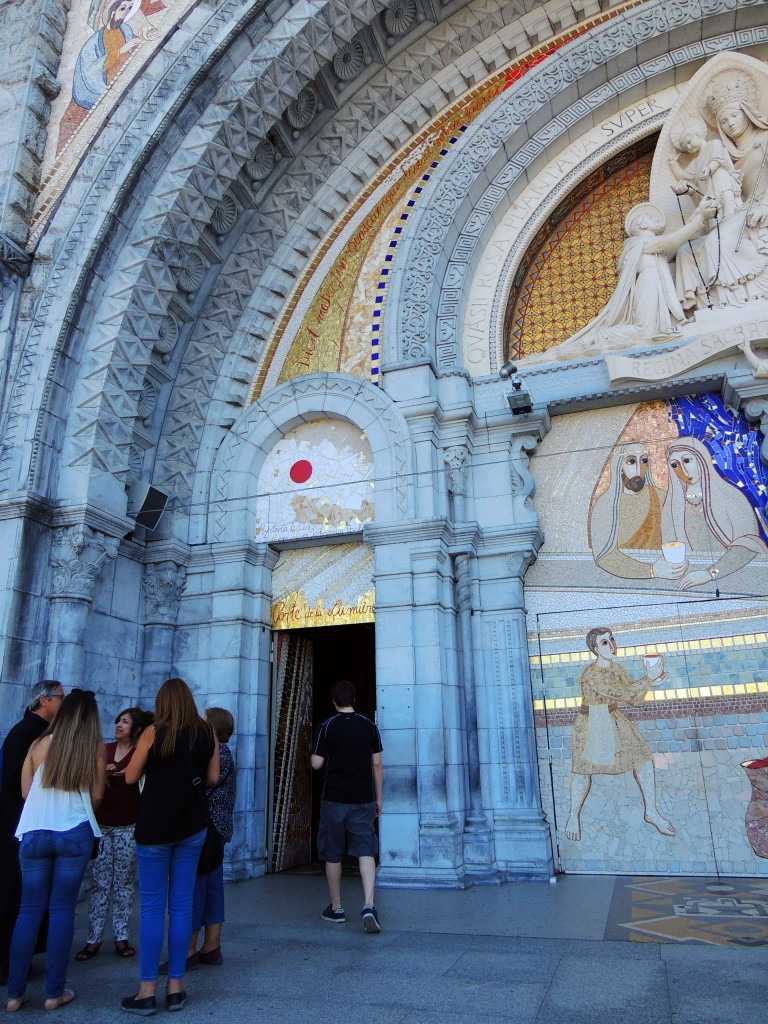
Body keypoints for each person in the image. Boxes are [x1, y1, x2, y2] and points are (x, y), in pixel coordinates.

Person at [120, 678, 218, 1017]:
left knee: (151, 908)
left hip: (155, 827)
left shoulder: (152, 733)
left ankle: (147, 990)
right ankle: (176, 987)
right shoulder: (206, 732)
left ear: (162, 702)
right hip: (191, 826)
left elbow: (130, 777)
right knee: (181, 906)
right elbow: (213, 777)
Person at [5, 689, 105, 1012]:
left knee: (28, 911)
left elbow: (25, 792)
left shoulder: (38, 744)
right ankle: (54, 993)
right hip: (73, 830)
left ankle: (14, 994)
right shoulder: (92, 747)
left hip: (34, 830)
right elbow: (97, 795)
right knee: (62, 910)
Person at [564, 628, 674, 843]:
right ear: (596, 649)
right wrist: (648, 679)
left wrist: (651, 681)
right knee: (582, 771)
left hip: (613, 717)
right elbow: (624, 693)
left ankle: (651, 811)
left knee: (643, 759)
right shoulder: (592, 674)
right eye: (605, 643)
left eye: (612, 639)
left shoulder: (616, 668)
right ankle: (573, 817)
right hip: (592, 722)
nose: (612, 645)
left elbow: (633, 698)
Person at [0, 681, 65, 986]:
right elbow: (14, 777)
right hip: (17, 821)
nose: (63, 702)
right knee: (14, 891)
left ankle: (19, 956)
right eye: (60, 697)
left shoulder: (38, 731)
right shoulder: (26, 732)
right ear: (44, 700)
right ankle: (8, 960)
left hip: (27, 821)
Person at [76, 707, 150, 961]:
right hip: (102, 825)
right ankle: (93, 937)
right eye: (118, 721)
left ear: (135, 728)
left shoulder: (139, 754)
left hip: (128, 825)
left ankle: (121, 935)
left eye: (125, 722)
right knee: (100, 882)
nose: (118, 725)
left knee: (124, 882)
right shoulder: (103, 750)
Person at [311, 680, 383, 933]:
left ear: (334, 702)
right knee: (366, 849)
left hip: (334, 797)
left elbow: (317, 764)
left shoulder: (327, 726)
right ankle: (369, 905)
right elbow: (376, 764)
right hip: (363, 797)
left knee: (333, 852)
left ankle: (337, 908)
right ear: (354, 699)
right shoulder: (369, 726)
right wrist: (378, 798)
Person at [167, 707, 236, 971]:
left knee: (195, 886)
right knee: (212, 885)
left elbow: (204, 783)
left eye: (205, 721)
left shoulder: (219, 754)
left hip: (208, 826)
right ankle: (212, 946)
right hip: (218, 827)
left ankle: (188, 950)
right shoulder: (225, 753)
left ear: (212, 728)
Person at [660, 436, 767, 589]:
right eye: (675, 465)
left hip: (735, 578)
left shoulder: (730, 496)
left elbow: (749, 544)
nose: (683, 470)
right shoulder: (672, 506)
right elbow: (669, 551)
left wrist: (710, 573)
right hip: (690, 581)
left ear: (702, 459)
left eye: (687, 460)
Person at [589, 442, 684, 581]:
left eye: (644, 461)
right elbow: (603, 555)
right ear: (619, 467)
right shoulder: (606, 505)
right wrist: (651, 570)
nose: (639, 469)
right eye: (631, 462)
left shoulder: (660, 497)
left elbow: (675, 541)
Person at [668, 115, 742, 219]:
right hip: (708, 191)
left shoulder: (714, 143)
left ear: (698, 135)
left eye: (689, 142)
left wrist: (709, 169)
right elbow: (683, 176)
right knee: (716, 216)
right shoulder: (696, 161)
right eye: (685, 147)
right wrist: (673, 163)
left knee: (728, 206)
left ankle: (730, 213)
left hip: (721, 182)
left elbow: (718, 159)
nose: (688, 147)